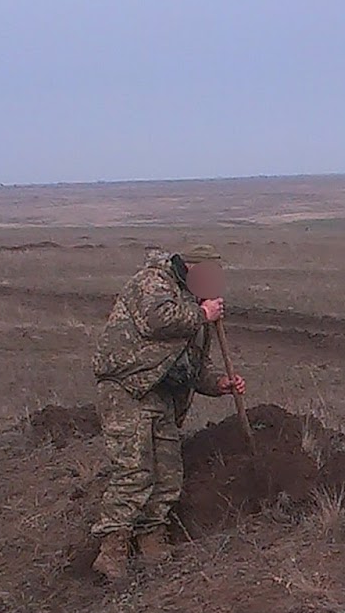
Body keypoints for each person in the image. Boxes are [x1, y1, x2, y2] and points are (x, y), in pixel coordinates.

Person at [90, 244, 246, 583]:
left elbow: (194, 366)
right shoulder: (153, 282)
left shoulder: (197, 306)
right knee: (134, 471)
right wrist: (202, 315)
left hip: (164, 395)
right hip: (128, 388)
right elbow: (157, 321)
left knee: (167, 472)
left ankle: (152, 541)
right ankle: (112, 549)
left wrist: (218, 383)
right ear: (191, 266)